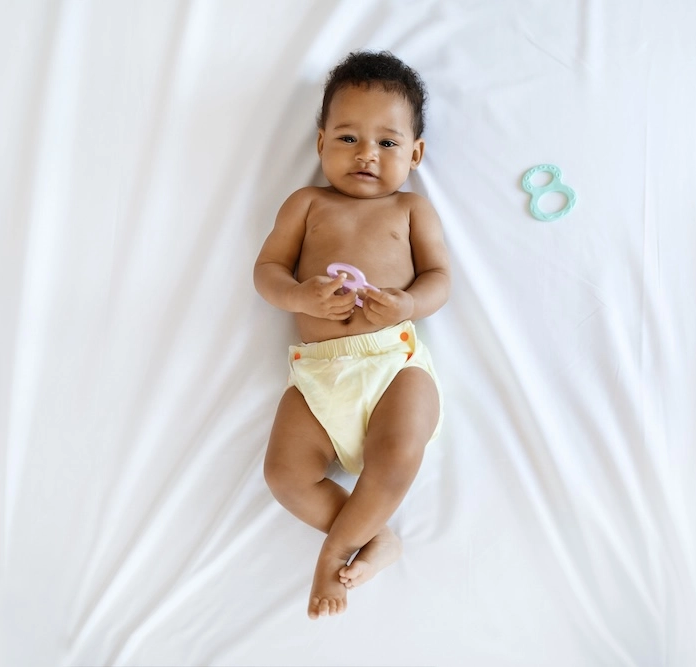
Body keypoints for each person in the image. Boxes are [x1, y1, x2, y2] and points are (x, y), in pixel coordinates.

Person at [253, 50, 451, 620]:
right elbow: (267, 270)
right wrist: (297, 295)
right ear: (320, 144)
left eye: (387, 144)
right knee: (284, 474)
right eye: (347, 138)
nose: (366, 154)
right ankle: (376, 534)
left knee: (398, 453)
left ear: (415, 154)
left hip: (393, 363)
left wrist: (409, 302)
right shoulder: (307, 204)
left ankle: (338, 547)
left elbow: (440, 278)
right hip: (318, 371)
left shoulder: (412, 210)